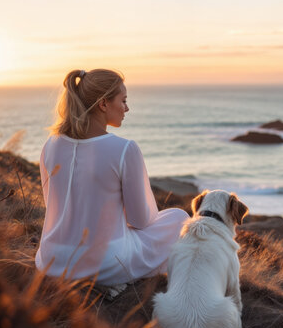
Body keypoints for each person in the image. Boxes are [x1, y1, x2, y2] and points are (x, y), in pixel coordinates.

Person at [35, 69, 189, 288]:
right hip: (104, 264)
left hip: (51, 261)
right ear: (103, 104)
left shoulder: (50, 145)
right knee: (179, 217)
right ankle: (123, 281)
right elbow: (140, 221)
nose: (127, 108)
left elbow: (52, 205)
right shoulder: (125, 149)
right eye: (123, 100)